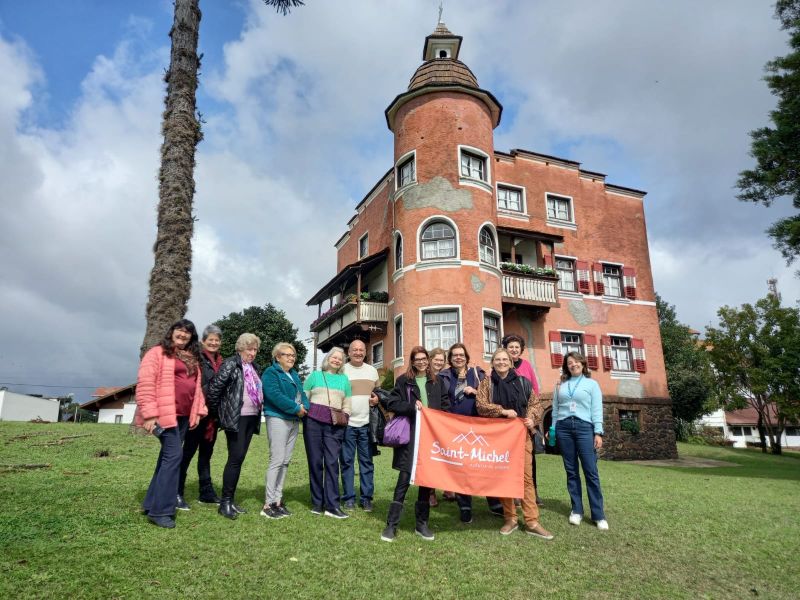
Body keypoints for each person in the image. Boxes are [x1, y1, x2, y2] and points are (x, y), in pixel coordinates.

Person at [136, 319, 207, 529]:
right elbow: (146, 384)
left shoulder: (192, 358)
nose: (183, 335)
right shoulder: (157, 353)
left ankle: (151, 503)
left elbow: (196, 388)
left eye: (188, 333)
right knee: (174, 456)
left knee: (166, 459)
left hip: (183, 416)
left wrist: (199, 412)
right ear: (172, 332)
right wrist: (149, 415)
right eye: (180, 330)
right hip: (165, 415)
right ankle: (161, 511)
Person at [476, 348, 553, 540]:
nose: (501, 362)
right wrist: (502, 411)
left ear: (511, 363)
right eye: (498, 359)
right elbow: (481, 406)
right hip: (498, 437)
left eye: (505, 359)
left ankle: (532, 521)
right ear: (492, 363)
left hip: (521, 436)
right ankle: (510, 518)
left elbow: (536, 404)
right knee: (503, 477)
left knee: (526, 478)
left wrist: (530, 418)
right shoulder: (487, 384)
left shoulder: (523, 382)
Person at [380, 346, 450, 542]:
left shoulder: (438, 381)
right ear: (412, 361)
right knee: (404, 479)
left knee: (426, 482)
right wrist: (412, 407)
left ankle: (422, 524)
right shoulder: (404, 381)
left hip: (431, 437)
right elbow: (392, 403)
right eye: (417, 359)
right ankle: (391, 525)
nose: (421, 362)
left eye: (423, 358)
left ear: (428, 360)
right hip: (411, 437)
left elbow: (446, 406)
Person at [438, 343, 504, 523]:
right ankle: (464, 504)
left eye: (461, 355)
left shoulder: (478, 374)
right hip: (454, 428)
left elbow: (489, 397)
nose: (458, 358)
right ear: (450, 359)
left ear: (466, 357)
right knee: (461, 467)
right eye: (454, 355)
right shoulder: (443, 376)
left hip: (478, 426)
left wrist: (475, 392)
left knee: (482, 464)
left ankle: (493, 500)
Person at [205, 333, 263, 520]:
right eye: (249, 349)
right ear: (240, 348)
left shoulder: (254, 367)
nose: (252, 353)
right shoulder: (231, 363)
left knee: (238, 460)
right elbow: (214, 390)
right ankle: (225, 503)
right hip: (236, 419)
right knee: (235, 459)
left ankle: (230, 500)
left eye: (255, 349)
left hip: (251, 418)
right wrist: (219, 415)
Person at [553, 351, 608, 530]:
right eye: (570, 362)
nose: (573, 364)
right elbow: (555, 408)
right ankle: (576, 510)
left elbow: (596, 408)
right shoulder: (561, 385)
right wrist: (553, 428)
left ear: (583, 364)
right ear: (566, 366)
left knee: (590, 471)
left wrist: (598, 432)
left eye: (576, 361)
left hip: (585, 428)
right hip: (564, 428)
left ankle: (598, 515)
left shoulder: (592, 384)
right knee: (571, 471)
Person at [177, 324, 223, 508]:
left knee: (206, 454)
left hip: (212, 417)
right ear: (203, 341)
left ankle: (206, 492)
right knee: (187, 453)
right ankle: (176, 492)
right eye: (210, 339)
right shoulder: (196, 358)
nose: (213, 342)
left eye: (217, 340)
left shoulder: (221, 361)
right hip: (197, 413)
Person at [261, 342, 309, 519]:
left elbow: (302, 395)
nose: (291, 358)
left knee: (286, 461)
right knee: (277, 460)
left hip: (294, 420)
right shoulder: (271, 372)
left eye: (293, 355)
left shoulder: (294, 374)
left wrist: (306, 407)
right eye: (286, 354)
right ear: (277, 357)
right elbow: (273, 394)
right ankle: (268, 504)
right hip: (278, 418)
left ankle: (278, 501)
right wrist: (295, 408)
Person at [303, 347, 352, 519]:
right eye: (334, 357)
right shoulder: (315, 376)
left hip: (334, 424)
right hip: (313, 423)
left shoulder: (344, 379)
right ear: (328, 358)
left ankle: (332, 505)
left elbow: (347, 402)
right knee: (315, 462)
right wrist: (306, 411)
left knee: (332, 463)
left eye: (340, 359)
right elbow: (304, 396)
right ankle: (317, 502)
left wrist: (345, 415)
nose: (337, 360)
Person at [502, 333, 544, 506]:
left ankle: (532, 492)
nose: (513, 350)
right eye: (510, 347)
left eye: (516, 347)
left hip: (525, 419)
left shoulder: (526, 366)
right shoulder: (501, 365)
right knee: (510, 458)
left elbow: (535, 391)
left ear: (521, 350)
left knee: (529, 458)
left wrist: (532, 416)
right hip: (508, 421)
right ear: (506, 348)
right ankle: (513, 494)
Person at [340, 339, 380, 513]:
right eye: (354, 350)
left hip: (366, 425)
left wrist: (377, 399)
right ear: (349, 352)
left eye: (361, 350)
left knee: (367, 463)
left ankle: (366, 498)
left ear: (365, 352)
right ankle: (349, 497)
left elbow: (378, 394)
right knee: (347, 462)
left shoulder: (372, 371)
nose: (358, 352)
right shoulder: (341, 370)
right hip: (346, 424)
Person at [426, 347, 448, 508]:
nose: (439, 362)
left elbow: (444, 400)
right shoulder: (423, 375)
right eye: (437, 359)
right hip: (425, 423)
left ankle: (445, 487)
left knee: (440, 458)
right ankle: (430, 492)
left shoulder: (442, 378)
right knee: (429, 460)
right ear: (430, 359)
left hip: (438, 424)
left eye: (442, 360)